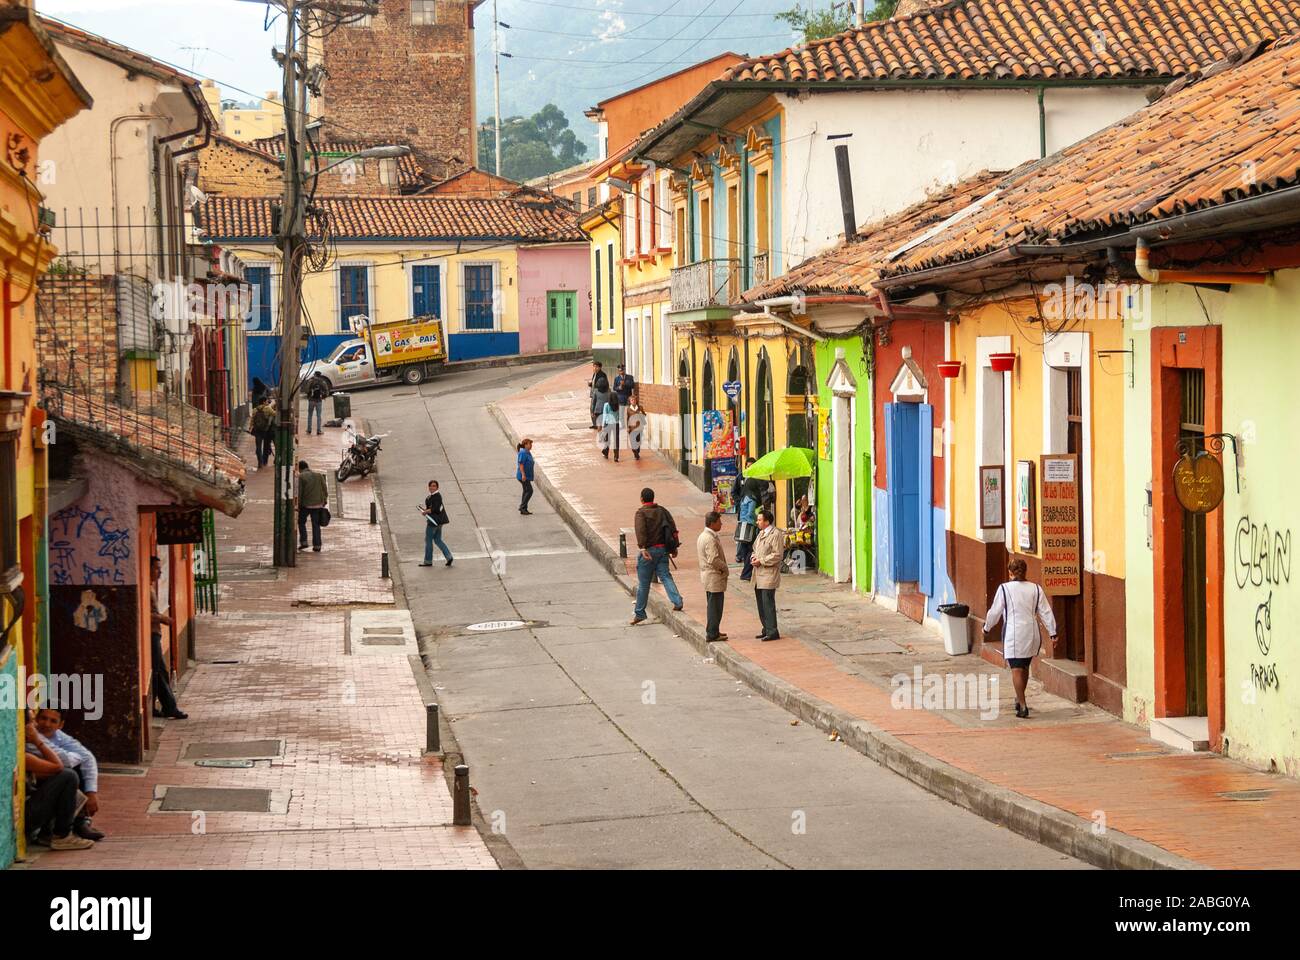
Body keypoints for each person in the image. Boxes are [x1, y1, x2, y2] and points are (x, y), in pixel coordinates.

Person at [983, 556, 1057, 718]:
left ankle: (1022, 704)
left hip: (1014, 633)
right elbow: (1045, 611)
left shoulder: (1004, 589)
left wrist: (987, 627)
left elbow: (995, 611)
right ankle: (1019, 697)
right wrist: (1053, 632)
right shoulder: (1035, 588)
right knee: (1024, 667)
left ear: (1010, 572)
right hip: (1031, 633)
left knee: (1016, 669)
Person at [23, 714, 94, 850]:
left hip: (32, 812)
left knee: (68, 777)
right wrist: (37, 741)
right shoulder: (26, 754)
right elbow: (58, 765)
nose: (36, 726)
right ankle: (62, 836)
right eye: (33, 721)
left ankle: (50, 833)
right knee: (68, 776)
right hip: (26, 817)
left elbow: (85, 757)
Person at [34, 708, 104, 841]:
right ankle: (64, 831)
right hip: (37, 788)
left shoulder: (59, 736)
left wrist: (91, 793)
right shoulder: (32, 736)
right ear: (36, 719)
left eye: (53, 721)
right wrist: (73, 758)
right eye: (43, 718)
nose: (47, 724)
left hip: (49, 782)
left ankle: (79, 821)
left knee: (77, 770)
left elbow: (87, 757)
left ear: (60, 725)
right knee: (69, 774)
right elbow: (64, 760)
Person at [630, 487, 683, 625]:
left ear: (642, 499)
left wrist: (642, 548)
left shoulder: (641, 513)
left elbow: (640, 531)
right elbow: (673, 528)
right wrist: (674, 547)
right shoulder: (662, 511)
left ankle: (640, 612)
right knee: (665, 576)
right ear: (653, 498)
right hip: (663, 550)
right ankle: (677, 601)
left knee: (644, 584)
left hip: (648, 551)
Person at [149, 555, 187, 720]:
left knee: (158, 671)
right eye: (156, 568)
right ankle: (169, 707)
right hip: (151, 634)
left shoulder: (149, 587)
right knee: (159, 672)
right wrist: (162, 618)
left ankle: (158, 707)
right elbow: (144, 613)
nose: (159, 572)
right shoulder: (145, 589)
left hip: (154, 633)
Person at [751, 509, 785, 641]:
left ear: (767, 521)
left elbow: (777, 555)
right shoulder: (760, 534)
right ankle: (766, 627)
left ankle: (772, 630)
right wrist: (754, 557)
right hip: (758, 574)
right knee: (761, 603)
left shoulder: (775, 534)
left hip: (769, 574)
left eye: (760, 520)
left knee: (767, 602)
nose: (757, 522)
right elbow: (755, 549)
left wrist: (762, 561)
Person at [696, 511, 729, 642]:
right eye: (719, 522)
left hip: (709, 575)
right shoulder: (709, 538)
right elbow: (713, 559)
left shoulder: (704, 536)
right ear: (713, 523)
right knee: (715, 606)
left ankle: (714, 630)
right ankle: (712, 632)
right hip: (713, 575)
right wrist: (724, 567)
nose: (721, 524)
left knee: (713, 605)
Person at [735, 458, 761, 581]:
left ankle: (745, 573)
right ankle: (746, 573)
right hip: (749, 526)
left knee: (745, 550)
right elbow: (751, 513)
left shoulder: (744, 497)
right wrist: (758, 519)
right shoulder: (752, 498)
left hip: (742, 525)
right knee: (751, 550)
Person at [419, 479, 454, 567]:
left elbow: (436, 509)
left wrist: (426, 511)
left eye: (434, 486)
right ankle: (449, 557)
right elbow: (431, 508)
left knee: (428, 540)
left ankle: (428, 561)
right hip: (439, 522)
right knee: (438, 540)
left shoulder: (437, 496)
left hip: (433, 522)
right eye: (430, 486)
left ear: (437, 487)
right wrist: (425, 511)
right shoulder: (429, 497)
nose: (432, 487)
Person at [297, 459, 329, 552]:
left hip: (306, 505)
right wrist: (324, 500)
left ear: (300, 468)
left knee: (301, 522)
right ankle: (317, 545)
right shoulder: (318, 475)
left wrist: (298, 505)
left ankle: (304, 542)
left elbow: (300, 492)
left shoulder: (301, 476)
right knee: (316, 525)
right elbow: (325, 489)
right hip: (318, 505)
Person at [250, 396, 276, 469]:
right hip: (265, 431)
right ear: (264, 402)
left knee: (258, 447)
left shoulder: (255, 410)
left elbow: (252, 420)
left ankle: (260, 463)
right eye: (267, 401)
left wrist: (250, 427)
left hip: (257, 430)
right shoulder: (267, 408)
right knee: (267, 445)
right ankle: (266, 460)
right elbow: (275, 414)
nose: (267, 403)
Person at [600, 391, 621, 461]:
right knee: (616, 440)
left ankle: (606, 453)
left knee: (607, 439)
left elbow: (605, 415)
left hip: (608, 424)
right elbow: (619, 416)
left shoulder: (606, 405)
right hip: (616, 424)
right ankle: (616, 456)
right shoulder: (618, 405)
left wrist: (603, 425)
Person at [516, 438, 535, 515]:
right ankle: (522, 507)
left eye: (531, 444)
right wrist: (523, 474)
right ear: (525, 445)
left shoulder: (528, 452)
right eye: (529, 444)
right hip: (523, 476)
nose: (531, 446)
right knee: (530, 490)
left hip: (527, 476)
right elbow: (521, 464)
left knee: (526, 491)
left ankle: (524, 509)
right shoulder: (523, 453)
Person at [624, 394, 645, 461]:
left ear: (636, 401)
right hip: (631, 428)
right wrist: (627, 427)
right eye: (632, 400)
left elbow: (644, 415)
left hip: (639, 427)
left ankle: (637, 451)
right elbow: (625, 418)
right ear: (630, 401)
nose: (633, 401)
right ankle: (636, 454)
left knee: (638, 441)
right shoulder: (627, 409)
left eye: (634, 400)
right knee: (633, 442)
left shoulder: (640, 407)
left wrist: (642, 414)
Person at [590, 364, 611, 431]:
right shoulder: (608, 392)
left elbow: (593, 403)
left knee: (600, 423)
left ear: (599, 367)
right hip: (605, 408)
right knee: (605, 423)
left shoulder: (602, 375)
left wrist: (592, 411)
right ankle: (596, 426)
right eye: (594, 366)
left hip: (598, 409)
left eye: (596, 366)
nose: (594, 368)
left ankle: (599, 434)